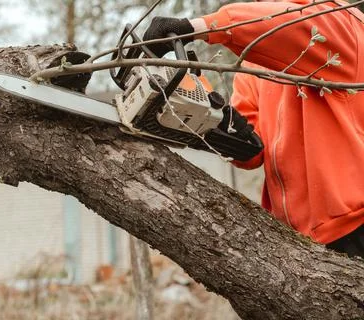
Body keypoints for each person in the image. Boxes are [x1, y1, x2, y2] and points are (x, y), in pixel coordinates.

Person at [143, 0, 364, 258]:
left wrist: (195, 27)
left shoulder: (339, 20)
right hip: (298, 237)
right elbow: (254, 153)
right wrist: (224, 128)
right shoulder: (253, 64)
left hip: (355, 223)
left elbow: (290, 24)